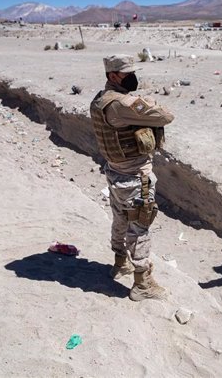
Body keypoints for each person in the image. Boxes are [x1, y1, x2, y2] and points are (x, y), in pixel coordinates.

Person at [90, 54, 174, 301]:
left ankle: (120, 263)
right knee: (140, 224)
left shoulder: (100, 99)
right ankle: (142, 283)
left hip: (116, 172)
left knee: (120, 219)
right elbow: (166, 116)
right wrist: (145, 101)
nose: (133, 77)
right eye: (128, 74)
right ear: (113, 76)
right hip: (136, 176)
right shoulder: (122, 105)